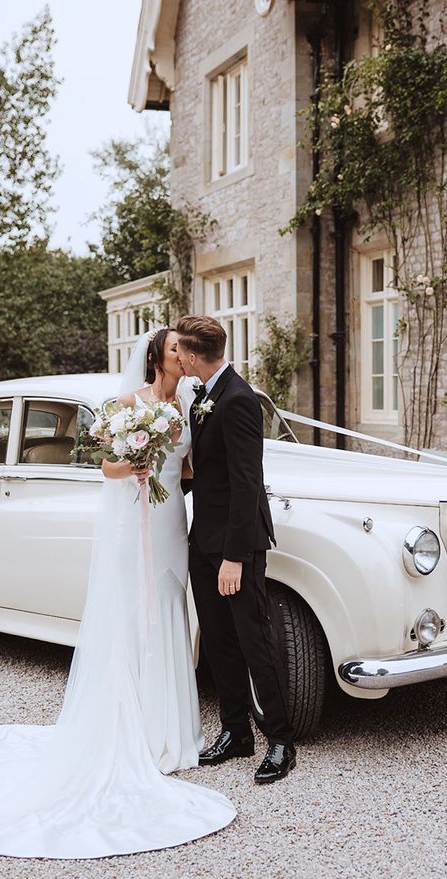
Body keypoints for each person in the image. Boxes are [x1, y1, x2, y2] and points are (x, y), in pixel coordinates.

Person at [0, 328, 235, 859]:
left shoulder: (189, 400)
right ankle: (134, 729)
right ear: (158, 357)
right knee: (131, 609)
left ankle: (171, 732)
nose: (182, 356)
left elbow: (190, 464)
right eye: (174, 350)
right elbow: (104, 466)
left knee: (167, 604)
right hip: (133, 515)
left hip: (170, 520)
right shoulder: (126, 403)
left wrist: (186, 469)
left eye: (185, 351)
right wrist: (135, 462)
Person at [175, 315, 296, 785]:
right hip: (202, 538)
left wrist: (234, 557)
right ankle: (236, 732)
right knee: (219, 641)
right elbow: (208, 473)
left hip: (234, 546)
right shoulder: (203, 395)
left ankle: (282, 741)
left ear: (192, 354)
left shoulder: (240, 400)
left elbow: (248, 485)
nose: (178, 359)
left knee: (255, 641)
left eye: (181, 352)